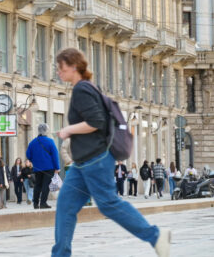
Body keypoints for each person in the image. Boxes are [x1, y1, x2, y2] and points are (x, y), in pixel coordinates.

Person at [51, 48, 169, 257]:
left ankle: (155, 236)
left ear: (74, 67)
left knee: (109, 204)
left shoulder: (81, 89)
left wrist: (68, 130)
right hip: (83, 164)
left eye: (61, 67)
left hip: (95, 159)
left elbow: (96, 122)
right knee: (65, 207)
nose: (59, 72)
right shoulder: (87, 88)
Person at [26, 123, 60, 209]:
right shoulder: (50, 141)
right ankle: (43, 203)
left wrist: (34, 161)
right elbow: (55, 155)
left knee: (38, 185)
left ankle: (35, 203)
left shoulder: (33, 142)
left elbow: (28, 155)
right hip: (49, 168)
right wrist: (57, 167)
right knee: (46, 185)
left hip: (37, 168)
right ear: (46, 131)